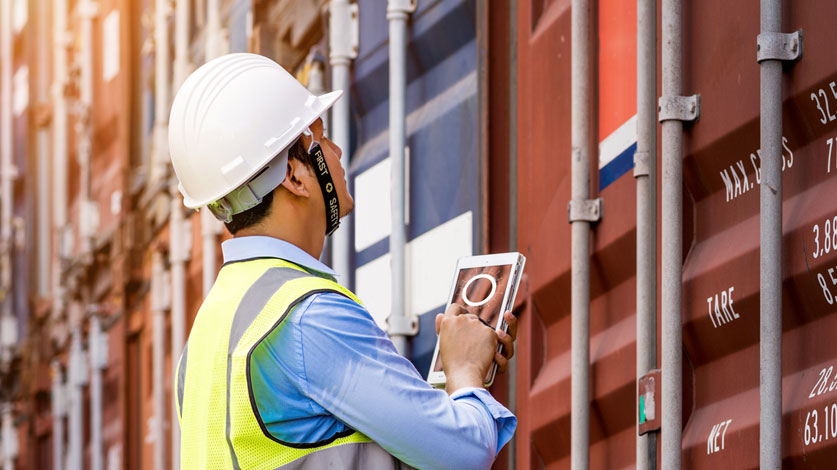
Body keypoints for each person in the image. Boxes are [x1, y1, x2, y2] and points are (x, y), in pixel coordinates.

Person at [171, 53, 517, 470]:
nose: (336, 150)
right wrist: (465, 373)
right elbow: (465, 453)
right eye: (321, 137)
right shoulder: (307, 315)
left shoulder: (207, 335)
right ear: (296, 177)